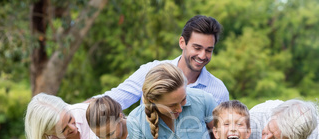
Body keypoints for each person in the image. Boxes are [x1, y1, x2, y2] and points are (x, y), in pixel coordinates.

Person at [98, 15, 229, 108]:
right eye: (197, 48)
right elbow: (113, 99)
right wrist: (78, 113)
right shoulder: (152, 70)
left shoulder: (218, 91)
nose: (202, 55)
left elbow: (220, 136)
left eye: (208, 50)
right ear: (182, 43)